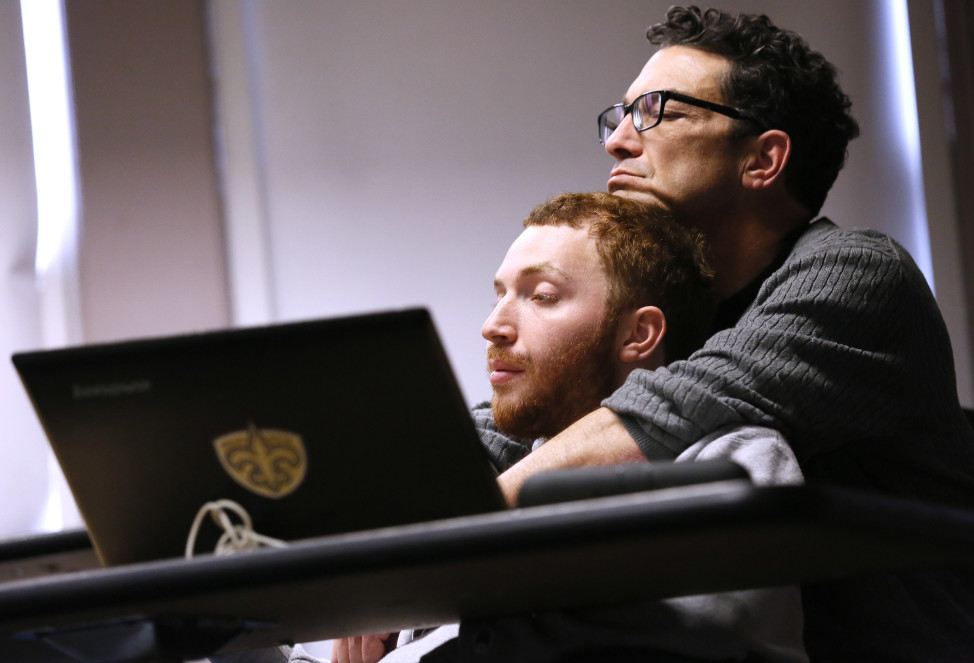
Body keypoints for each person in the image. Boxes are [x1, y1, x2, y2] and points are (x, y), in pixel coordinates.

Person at [489, 6, 974, 661]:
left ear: (764, 159)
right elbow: (528, 414)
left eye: (660, 110)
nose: (618, 141)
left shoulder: (856, 273)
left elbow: (673, 407)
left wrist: (468, 523)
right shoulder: (674, 313)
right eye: (622, 114)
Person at [327, 192, 807, 663]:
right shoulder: (499, 477)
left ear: (638, 334)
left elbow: (680, 646)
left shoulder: (735, 461)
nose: (493, 326)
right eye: (498, 297)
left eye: (542, 296)